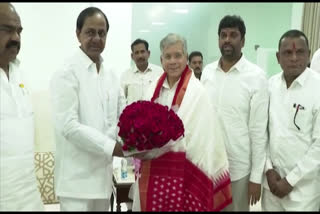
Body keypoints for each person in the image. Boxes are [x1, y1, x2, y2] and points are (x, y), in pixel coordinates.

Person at [130, 33, 232, 211]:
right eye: (168, 57)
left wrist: (167, 144)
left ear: (186, 57)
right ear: (161, 60)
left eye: (178, 55)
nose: (173, 61)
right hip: (154, 172)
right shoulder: (152, 89)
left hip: (186, 172)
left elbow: (203, 137)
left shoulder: (198, 92)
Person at [50, 7, 125, 211]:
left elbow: (122, 116)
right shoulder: (66, 73)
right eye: (90, 32)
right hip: (76, 186)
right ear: (78, 33)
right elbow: (69, 126)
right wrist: (113, 147)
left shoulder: (111, 74)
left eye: (102, 33)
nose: (96, 38)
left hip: (103, 181)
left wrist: (136, 139)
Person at [201, 15, 268, 211]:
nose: (227, 40)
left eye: (233, 35)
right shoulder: (207, 72)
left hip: (238, 169)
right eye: (223, 35)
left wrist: (256, 177)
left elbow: (258, 132)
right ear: (218, 39)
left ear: (243, 40)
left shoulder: (256, 77)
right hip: (209, 165)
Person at [262, 30, 320, 211]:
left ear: (309, 55)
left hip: (303, 193)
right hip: (271, 185)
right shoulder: (269, 85)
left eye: (300, 52)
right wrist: (268, 170)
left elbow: (318, 146)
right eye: (287, 53)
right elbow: (262, 132)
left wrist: (290, 180)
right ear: (278, 57)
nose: (294, 58)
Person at [0, 3, 44, 211]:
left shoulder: (20, 75)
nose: (16, 37)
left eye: (18, 31)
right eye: (6, 29)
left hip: (30, 199)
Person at [121, 38, 163, 105]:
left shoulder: (159, 72)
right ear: (132, 56)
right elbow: (122, 100)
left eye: (142, 52)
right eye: (137, 53)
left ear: (148, 53)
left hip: (154, 114)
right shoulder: (126, 75)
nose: (140, 56)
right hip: (132, 115)